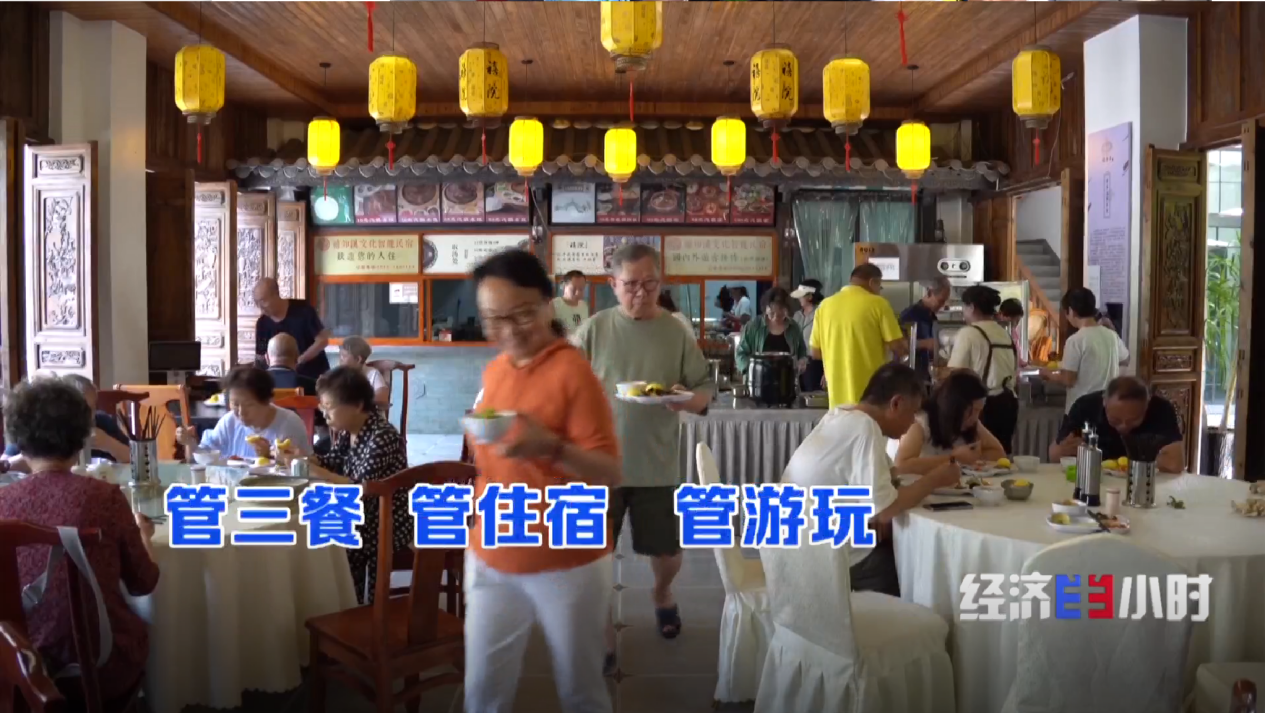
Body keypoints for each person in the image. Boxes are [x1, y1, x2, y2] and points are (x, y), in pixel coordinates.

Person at [462, 249, 621, 713]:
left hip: (565, 560)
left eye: (522, 314)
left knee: (580, 692)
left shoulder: (573, 372)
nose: (509, 331)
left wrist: (549, 446)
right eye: (494, 319)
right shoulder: (497, 369)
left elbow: (609, 472)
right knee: (483, 692)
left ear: (548, 305)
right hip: (492, 551)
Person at [573, 243, 714, 663]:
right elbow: (565, 382)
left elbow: (703, 388)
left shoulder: (675, 331)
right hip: (599, 465)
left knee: (668, 551)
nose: (641, 292)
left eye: (650, 283)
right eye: (631, 284)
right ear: (612, 284)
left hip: (657, 463)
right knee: (594, 555)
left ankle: (662, 591)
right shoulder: (595, 329)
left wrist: (686, 400)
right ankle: (602, 631)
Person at [0, 378, 160, 702]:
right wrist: (144, 536)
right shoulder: (105, 498)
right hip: (99, 668)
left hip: (18, 667)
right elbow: (143, 582)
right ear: (81, 436)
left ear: (18, 438)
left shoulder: (3, 502)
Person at [781, 363, 960, 597]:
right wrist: (935, 479)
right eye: (912, 414)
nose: (912, 424)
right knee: (917, 567)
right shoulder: (864, 427)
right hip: (825, 558)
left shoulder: (843, 414)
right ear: (896, 404)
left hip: (795, 547)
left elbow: (888, 475)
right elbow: (885, 511)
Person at [279, 367, 407, 604]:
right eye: (323, 406)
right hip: (363, 515)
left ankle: (357, 608)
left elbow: (360, 489)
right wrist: (302, 458)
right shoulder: (351, 430)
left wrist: (310, 468)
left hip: (385, 520)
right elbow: (332, 461)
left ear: (357, 405)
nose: (324, 413)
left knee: (324, 529)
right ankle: (345, 602)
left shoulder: (382, 435)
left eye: (329, 407)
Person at [811, 263, 908, 408]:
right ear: (873, 282)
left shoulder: (824, 306)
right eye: (880, 286)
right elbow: (897, 347)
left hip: (837, 402)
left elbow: (815, 352)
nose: (879, 291)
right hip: (871, 396)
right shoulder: (878, 304)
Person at [1050, 376, 1185, 473]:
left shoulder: (1161, 409)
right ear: (1104, 401)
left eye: (1133, 420)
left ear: (1147, 405)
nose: (1123, 426)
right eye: (1115, 420)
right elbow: (1053, 455)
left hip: (1144, 481)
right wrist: (1063, 450)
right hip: (1094, 481)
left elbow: (1176, 464)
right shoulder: (1085, 407)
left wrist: (1137, 461)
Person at [176, 366, 312, 461]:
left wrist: (268, 455)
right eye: (235, 404)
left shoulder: (288, 424)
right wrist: (189, 442)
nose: (241, 412)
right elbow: (203, 458)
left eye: (249, 405)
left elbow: (300, 470)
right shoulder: (229, 421)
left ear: (268, 401)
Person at [3, 374, 130, 470]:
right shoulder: (43, 428)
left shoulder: (102, 421)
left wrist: (109, 444)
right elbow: (4, 464)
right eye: (84, 409)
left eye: (94, 407)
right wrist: (35, 457)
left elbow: (134, 459)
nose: (89, 415)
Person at [948, 285, 1019, 454]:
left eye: (964, 307)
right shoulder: (1004, 332)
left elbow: (955, 374)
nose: (963, 312)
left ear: (971, 307)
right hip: (1009, 403)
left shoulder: (968, 333)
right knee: (1000, 454)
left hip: (983, 406)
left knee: (977, 455)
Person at [893, 370, 1006, 475]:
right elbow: (900, 466)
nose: (975, 418)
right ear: (955, 407)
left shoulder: (972, 423)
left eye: (979, 411)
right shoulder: (921, 422)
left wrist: (972, 457)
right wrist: (953, 459)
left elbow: (999, 453)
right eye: (972, 411)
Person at [1040, 287, 1130, 413]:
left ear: (1071, 311)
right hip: (1106, 407)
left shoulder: (1075, 340)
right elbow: (1125, 359)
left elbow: (1069, 379)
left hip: (1081, 410)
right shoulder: (1112, 336)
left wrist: (1048, 374)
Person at [252, 277, 331, 381]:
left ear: (275, 294)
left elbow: (322, 341)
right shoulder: (262, 324)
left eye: (263, 301)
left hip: (313, 377)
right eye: (257, 302)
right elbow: (261, 356)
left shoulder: (303, 310)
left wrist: (300, 360)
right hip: (281, 380)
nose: (260, 307)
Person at [734, 287, 807, 376]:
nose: (775, 317)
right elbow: (740, 353)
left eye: (780, 314)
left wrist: (802, 360)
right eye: (772, 314)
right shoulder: (753, 326)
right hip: (758, 379)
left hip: (786, 379)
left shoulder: (794, 327)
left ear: (787, 310)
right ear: (766, 309)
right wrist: (752, 369)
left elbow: (802, 351)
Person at [899, 277, 952, 384]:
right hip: (911, 375)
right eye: (940, 301)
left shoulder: (932, 317)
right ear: (929, 293)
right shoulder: (910, 315)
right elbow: (900, 345)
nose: (942, 305)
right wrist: (925, 344)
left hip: (926, 375)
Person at [791, 280, 825, 393]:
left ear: (810, 296)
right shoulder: (797, 315)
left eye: (801, 296)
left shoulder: (821, 314)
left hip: (814, 363)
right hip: (797, 362)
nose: (799, 299)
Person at [338, 336, 390, 405]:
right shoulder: (339, 375)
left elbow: (382, 396)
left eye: (344, 356)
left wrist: (356, 403)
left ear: (358, 359)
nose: (340, 359)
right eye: (340, 355)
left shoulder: (372, 374)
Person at [553, 270, 590, 335]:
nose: (577, 293)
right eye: (574, 289)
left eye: (581, 289)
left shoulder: (584, 306)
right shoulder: (554, 305)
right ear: (564, 286)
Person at [999, 298, 1027, 366]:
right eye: (1011, 321)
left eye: (1017, 321)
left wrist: (1021, 362)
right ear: (1001, 314)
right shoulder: (996, 331)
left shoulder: (1014, 331)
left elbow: (1016, 351)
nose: (1015, 324)